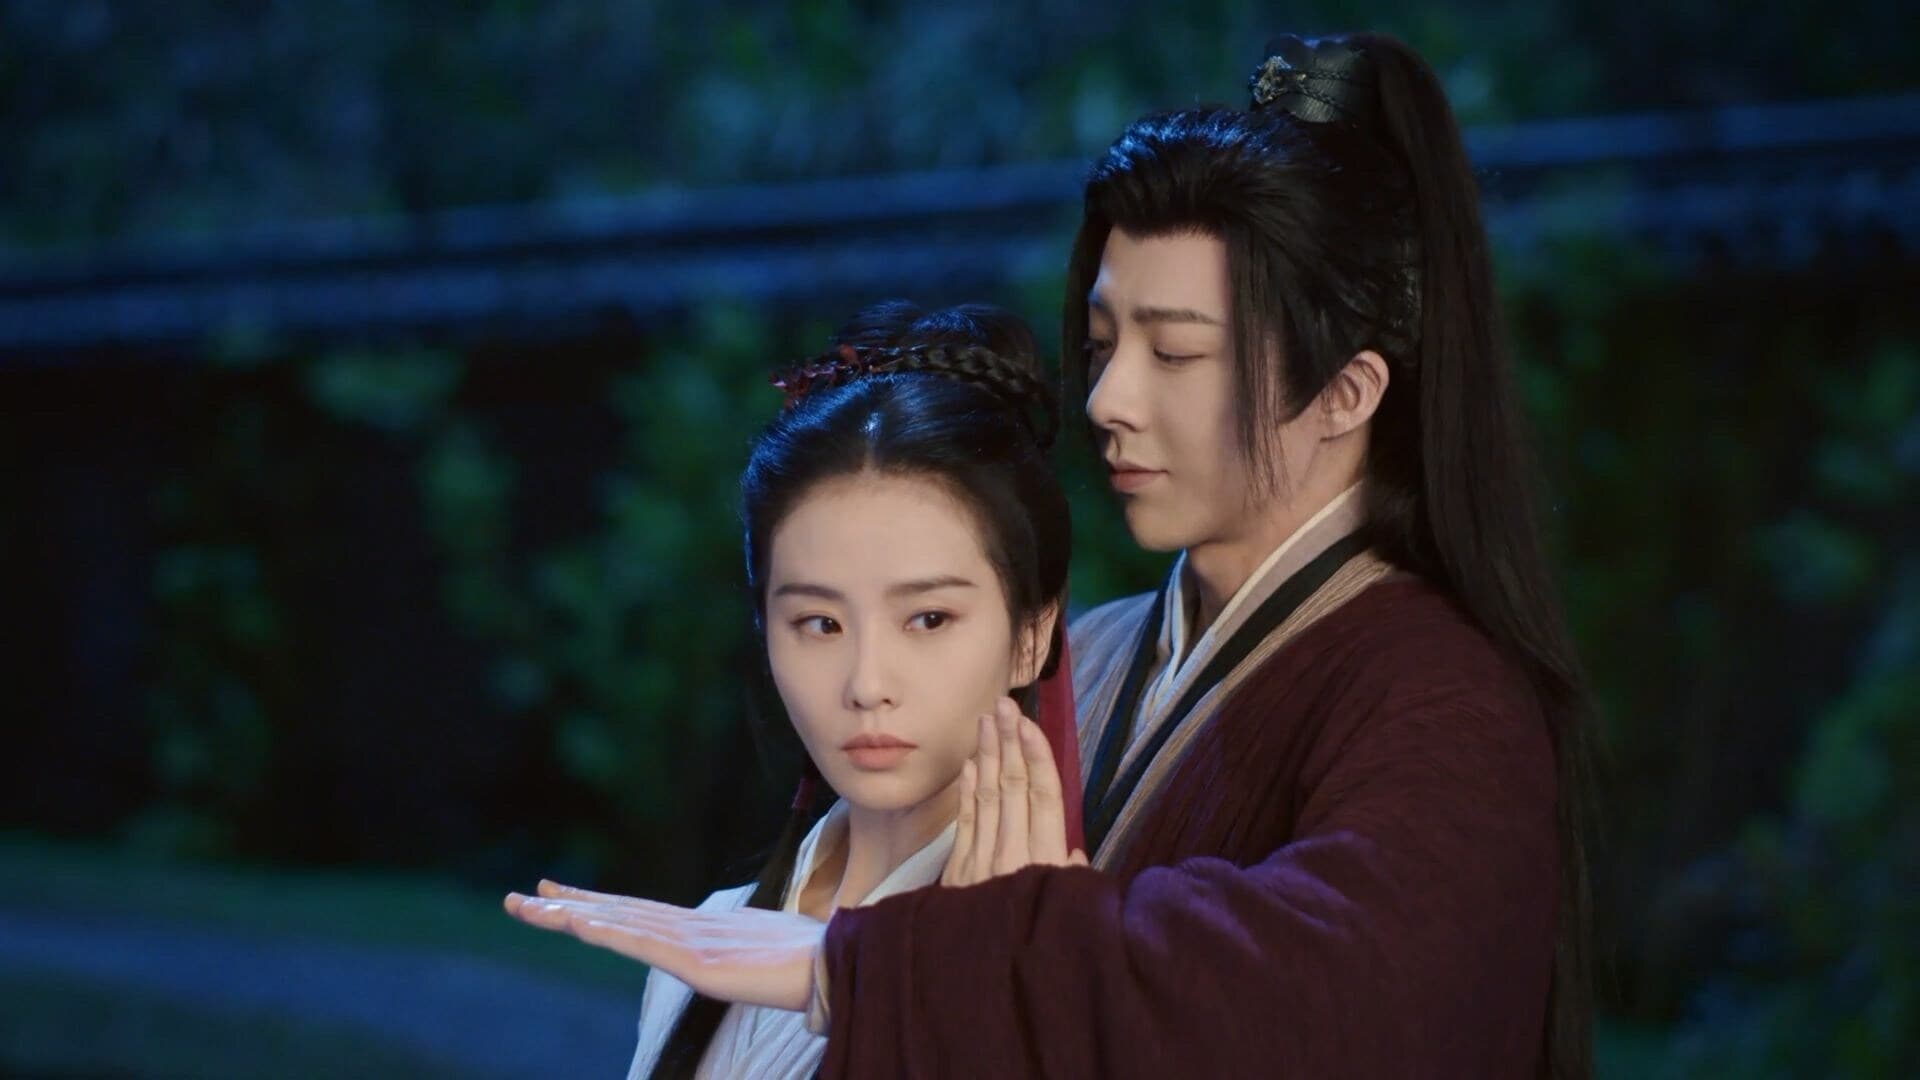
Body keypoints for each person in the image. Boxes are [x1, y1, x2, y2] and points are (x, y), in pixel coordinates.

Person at [511, 31, 1595, 1080]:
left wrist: (894, 964)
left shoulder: (1446, 700)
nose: (1110, 399)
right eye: (1105, 342)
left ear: (1346, 392)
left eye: (1177, 352)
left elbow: (1350, 1005)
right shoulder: (1100, 648)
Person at [539, 300, 1081, 1079]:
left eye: (928, 619)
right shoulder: (712, 936)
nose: (867, 684)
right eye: (820, 624)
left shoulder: (1071, 951)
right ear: (765, 628)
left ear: (1031, 633)